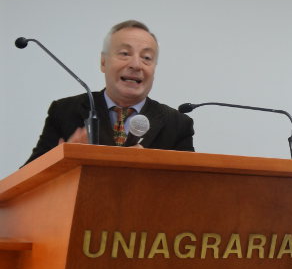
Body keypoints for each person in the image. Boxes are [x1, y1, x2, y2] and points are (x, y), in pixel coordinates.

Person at [25, 20, 194, 164]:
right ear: (103, 62)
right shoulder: (64, 111)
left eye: (147, 58)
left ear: (154, 68)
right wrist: (64, 158)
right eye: (125, 53)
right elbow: (26, 180)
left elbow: (192, 187)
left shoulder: (177, 124)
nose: (136, 64)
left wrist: (151, 166)